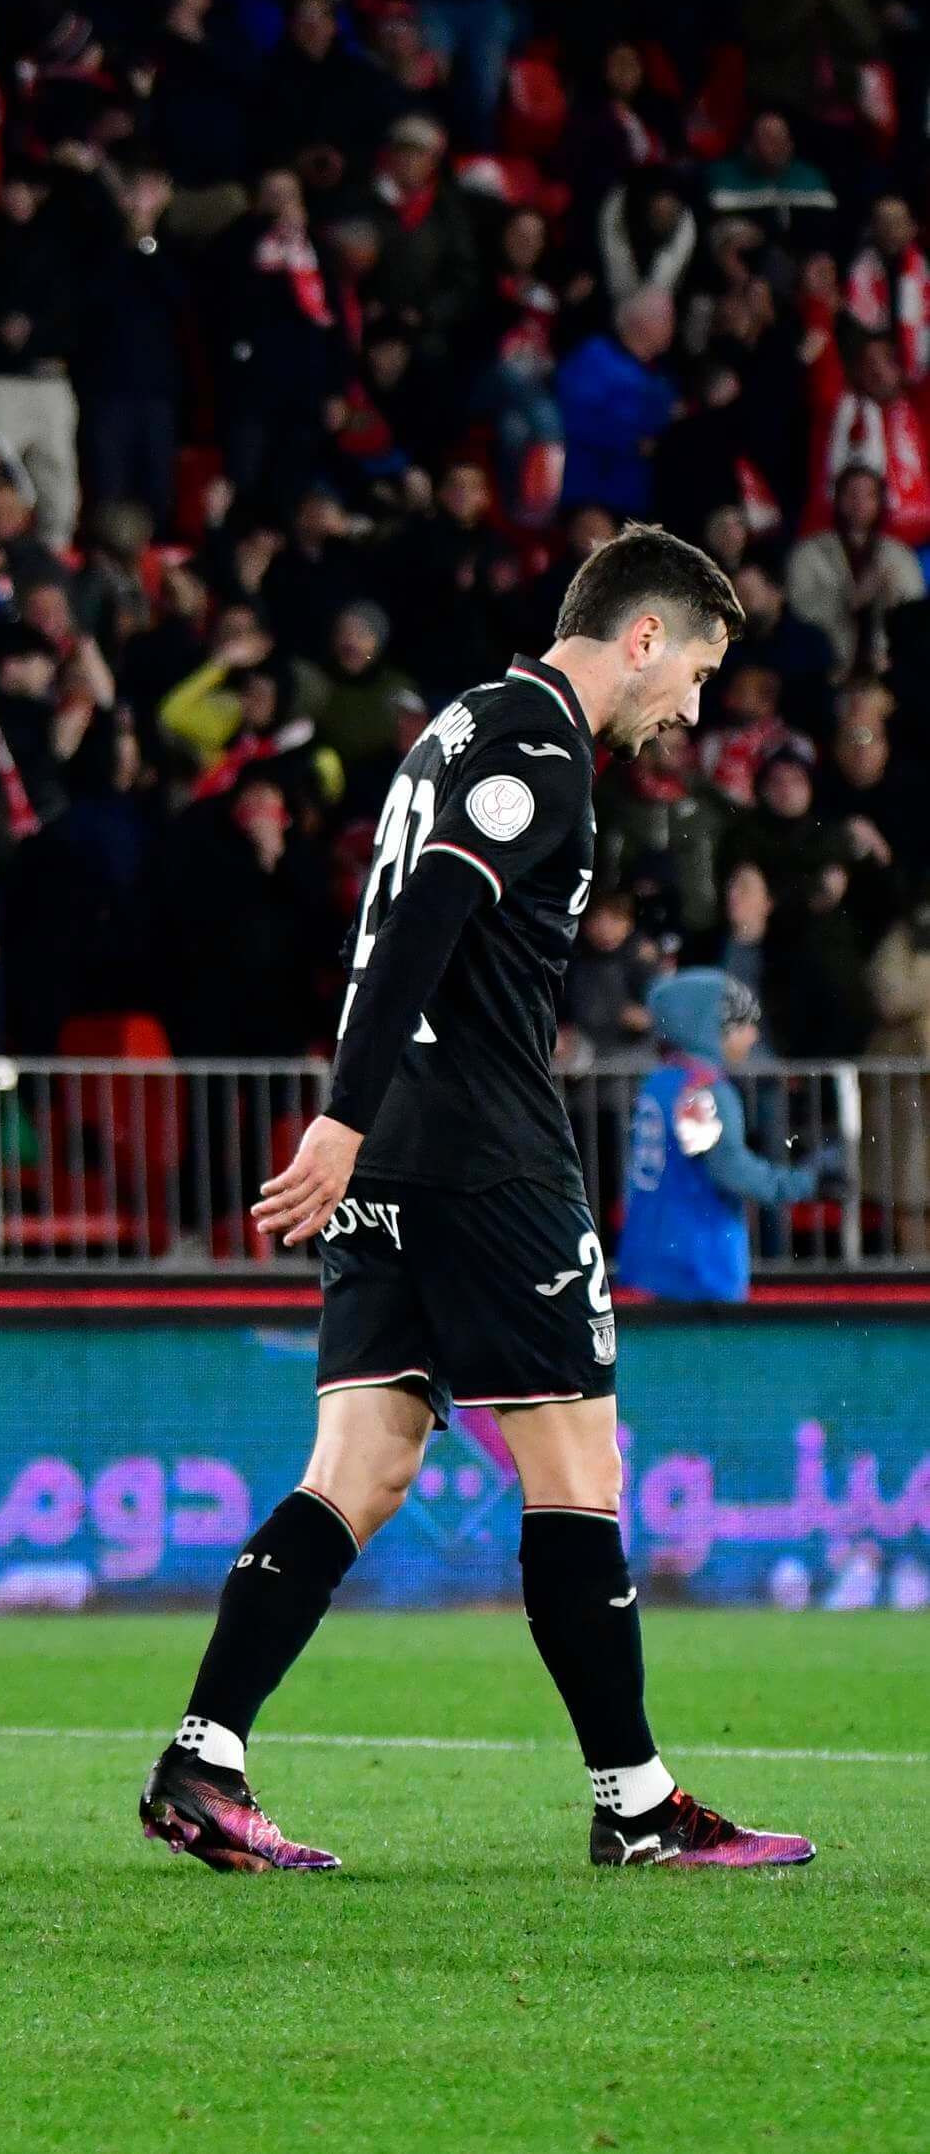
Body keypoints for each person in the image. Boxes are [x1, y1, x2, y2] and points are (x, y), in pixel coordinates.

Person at [150, 524, 812, 1875]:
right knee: (581, 1473)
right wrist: (336, 1112)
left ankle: (203, 1757)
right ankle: (634, 1802)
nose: (692, 708)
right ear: (640, 635)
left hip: (396, 1146)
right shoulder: (538, 745)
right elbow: (431, 916)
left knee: (362, 1466)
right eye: (692, 672)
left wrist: (357, 1121)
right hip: (484, 1154)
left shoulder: (455, 727)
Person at [618, 970, 831, 1303]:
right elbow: (728, 1170)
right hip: (700, 1264)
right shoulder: (703, 1090)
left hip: (653, 1257)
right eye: (742, 1024)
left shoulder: (659, 1082)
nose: (752, 1036)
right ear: (708, 1027)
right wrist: (806, 1183)